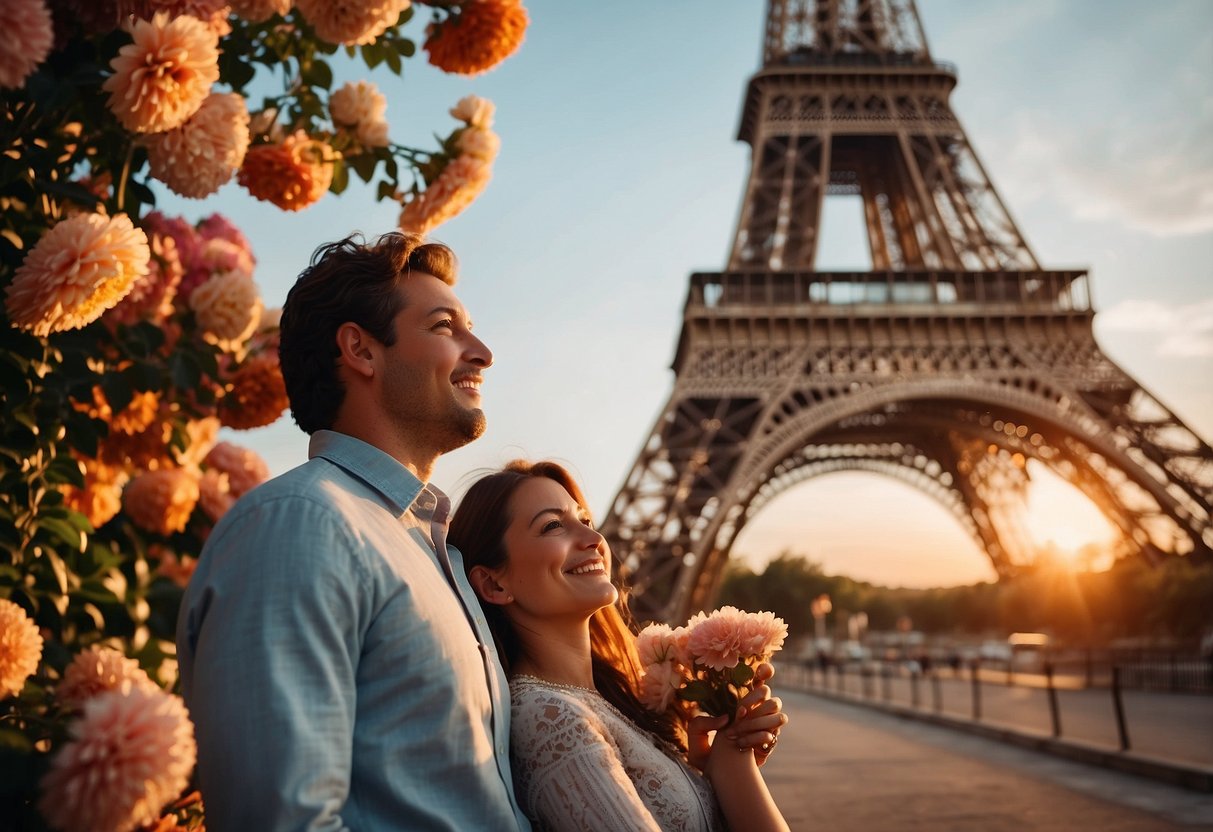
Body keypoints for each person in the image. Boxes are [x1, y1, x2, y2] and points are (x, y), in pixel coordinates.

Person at [176, 232, 530, 830]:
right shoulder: (300, 526)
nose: (484, 352)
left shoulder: (425, 548)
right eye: (446, 326)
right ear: (361, 351)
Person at [449, 460, 791, 832]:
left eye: (587, 521)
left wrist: (729, 760)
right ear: (494, 586)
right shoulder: (553, 719)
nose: (593, 539)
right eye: (552, 525)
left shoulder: (607, 701)